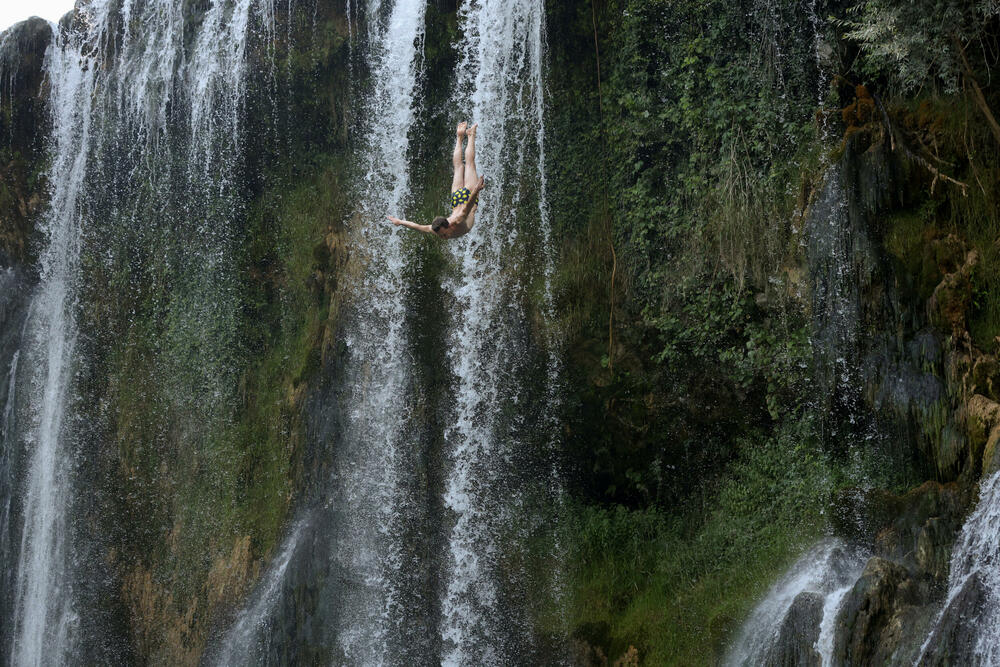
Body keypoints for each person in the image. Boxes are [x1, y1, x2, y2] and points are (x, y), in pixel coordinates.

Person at [387, 121, 485, 239]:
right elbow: (418, 226)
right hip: (456, 199)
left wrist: (476, 190)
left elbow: (468, 206)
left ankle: (470, 135)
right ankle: (459, 137)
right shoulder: (436, 229)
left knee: (469, 164)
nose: (443, 237)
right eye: (440, 235)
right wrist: (400, 222)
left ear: (449, 225)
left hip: (468, 196)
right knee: (458, 167)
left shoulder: (458, 220)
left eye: (443, 234)